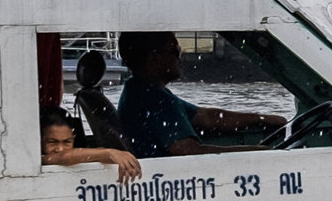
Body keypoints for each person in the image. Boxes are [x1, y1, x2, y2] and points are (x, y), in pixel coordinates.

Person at [116, 31, 284, 157]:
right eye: (175, 51)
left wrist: (260, 119)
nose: (180, 58)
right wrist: (261, 154)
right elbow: (187, 152)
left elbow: (206, 118)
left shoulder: (139, 89)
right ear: (154, 59)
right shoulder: (154, 98)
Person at [41, 108, 143, 180]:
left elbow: (97, 153)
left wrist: (122, 160)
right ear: (40, 140)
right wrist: (109, 153)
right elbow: (64, 157)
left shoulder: (77, 156)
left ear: (73, 138)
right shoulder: (40, 158)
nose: (60, 149)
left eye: (67, 142)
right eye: (52, 142)